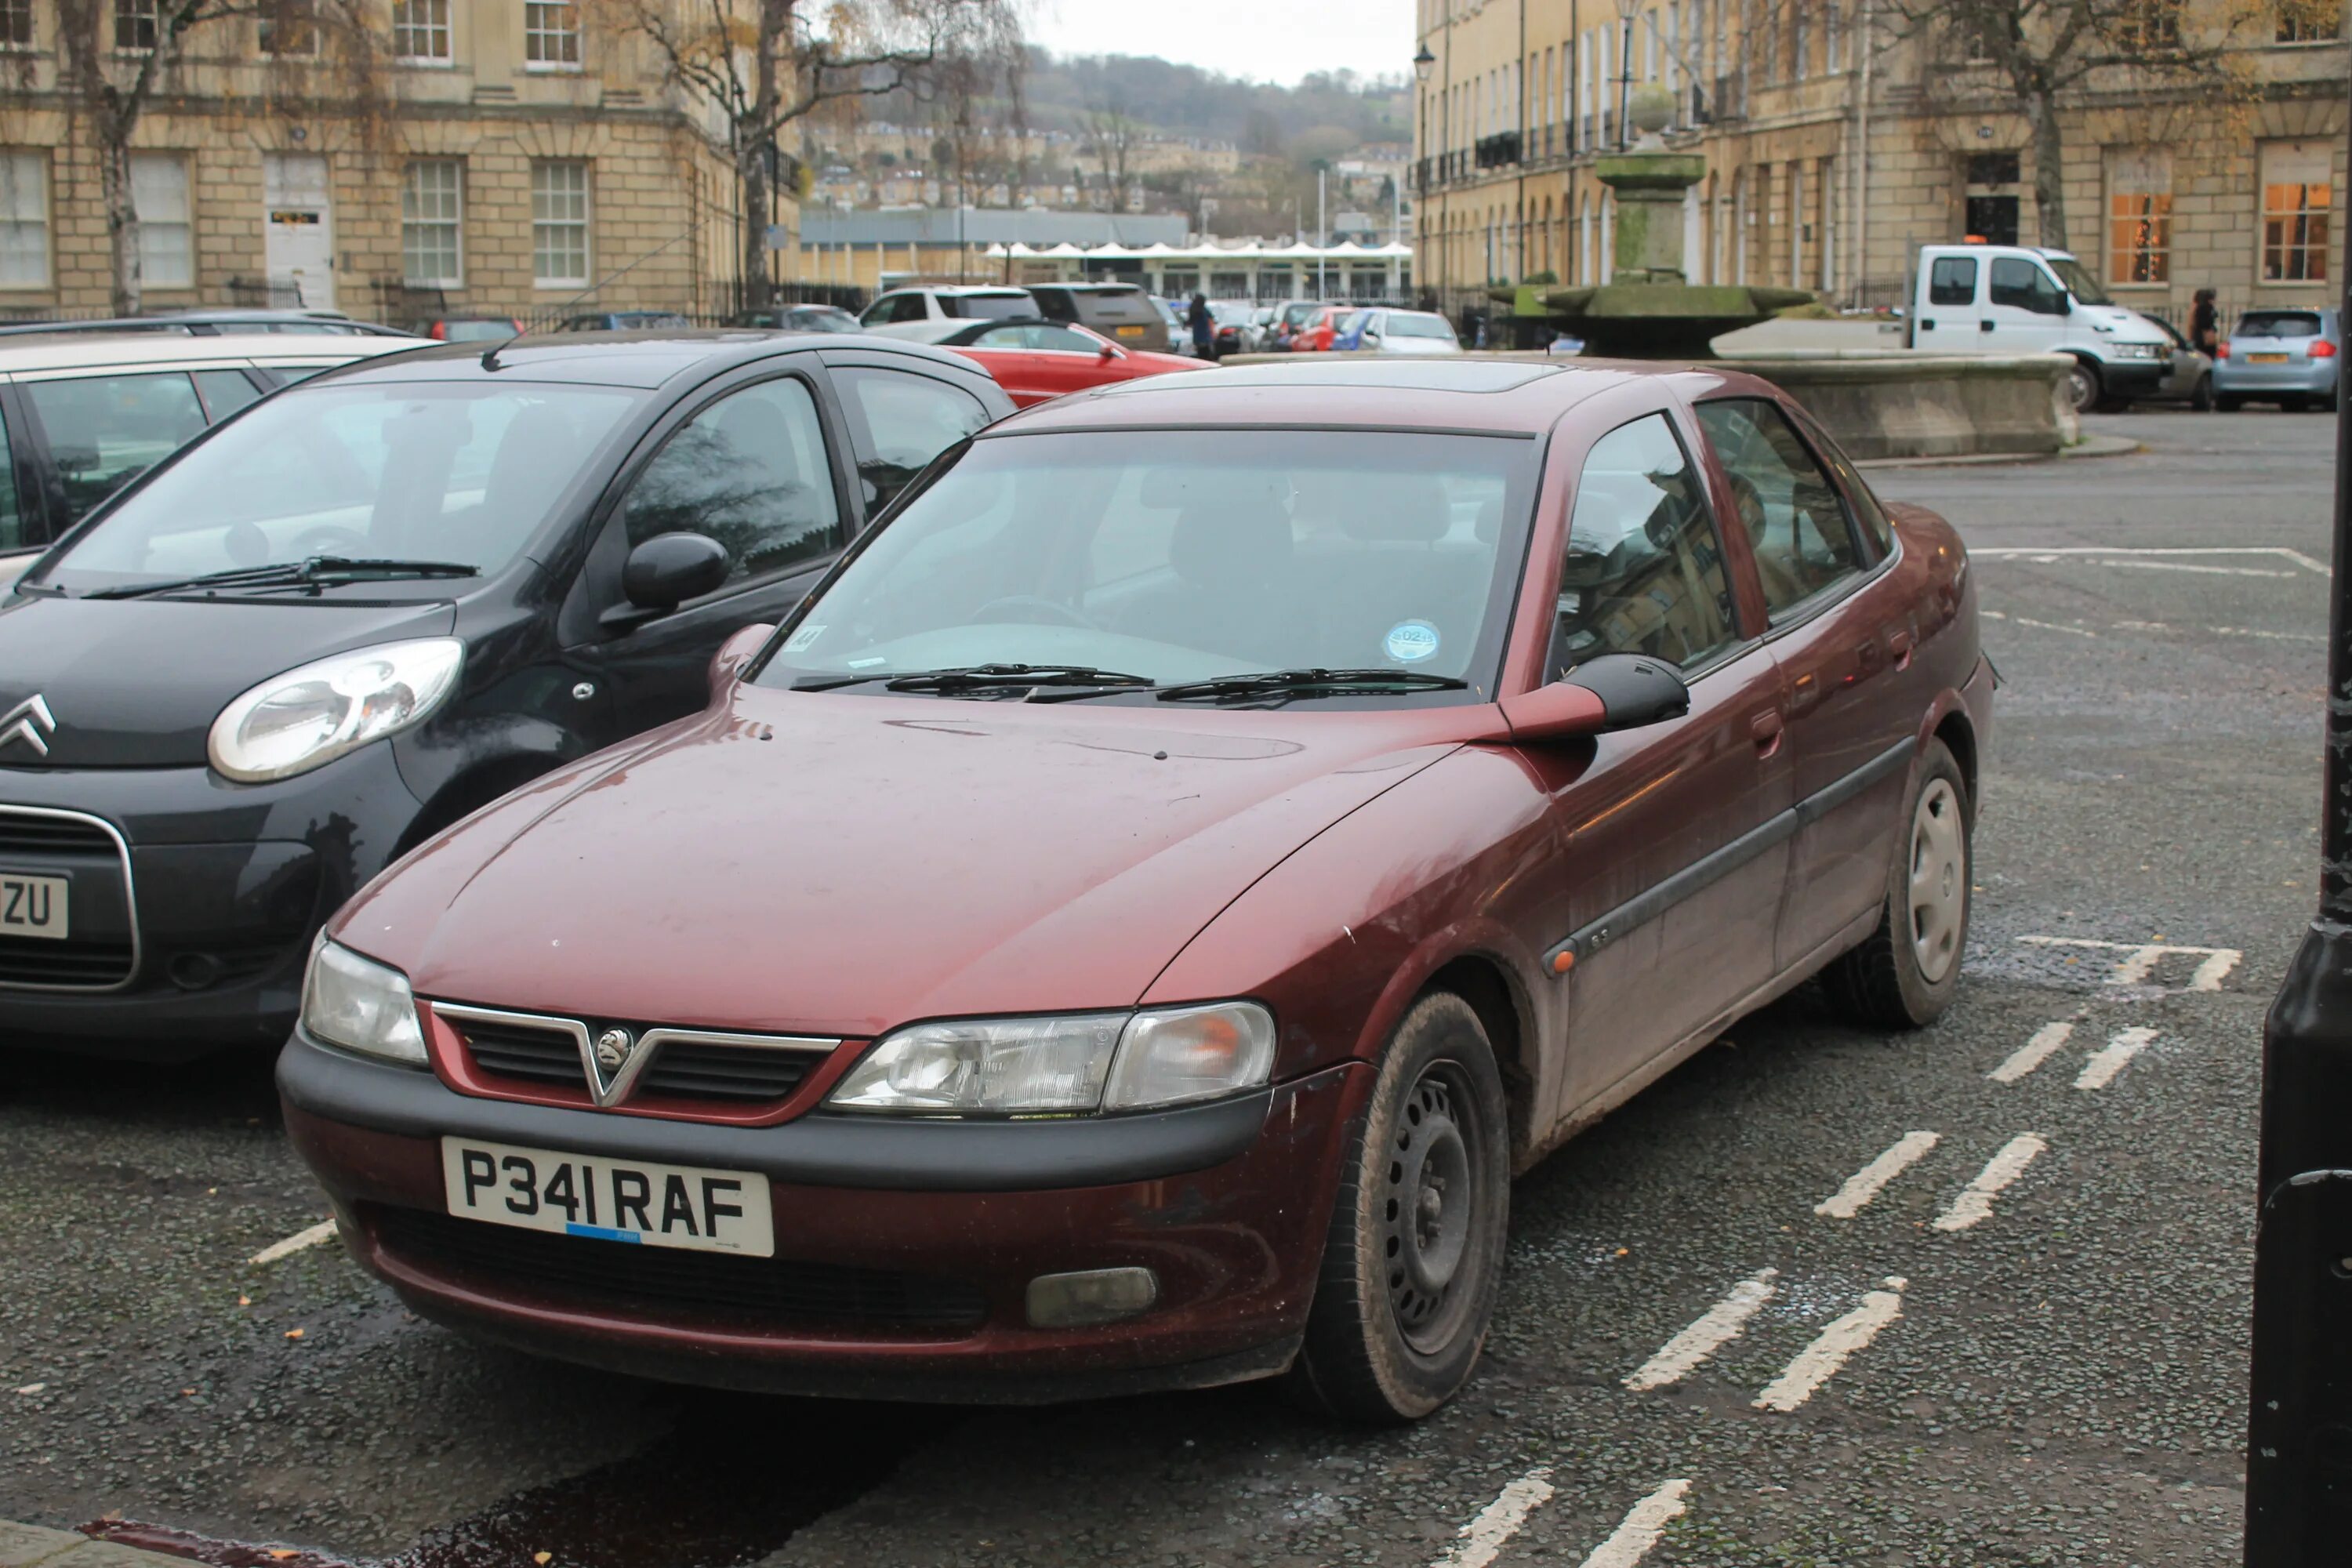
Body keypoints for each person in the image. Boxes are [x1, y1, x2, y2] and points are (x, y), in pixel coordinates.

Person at [2190, 288, 2219, 357]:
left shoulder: (2196, 308)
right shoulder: (2208, 308)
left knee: (2198, 355)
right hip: (2206, 337)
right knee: (2209, 355)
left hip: (2199, 336)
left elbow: (2192, 324)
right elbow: (2207, 323)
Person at [1188, 292, 1215, 360]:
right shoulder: (1204, 310)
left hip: (1197, 335)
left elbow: (1190, 322)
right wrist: (1212, 332)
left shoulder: (1193, 309)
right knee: (1206, 354)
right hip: (1205, 335)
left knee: (1200, 353)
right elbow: (1210, 320)